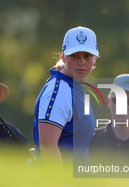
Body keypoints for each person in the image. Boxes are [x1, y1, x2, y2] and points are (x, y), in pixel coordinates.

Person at [33, 26, 99, 164]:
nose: (81, 62)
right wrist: (61, 185)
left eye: (87, 56)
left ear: (94, 60)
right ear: (63, 57)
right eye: (74, 56)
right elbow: (47, 147)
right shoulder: (59, 90)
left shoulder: (74, 88)